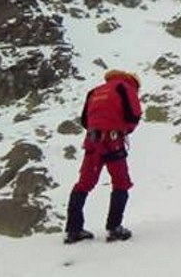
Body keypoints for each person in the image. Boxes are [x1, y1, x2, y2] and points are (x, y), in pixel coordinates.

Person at [64, 69, 142, 244]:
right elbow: (134, 115)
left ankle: (73, 230)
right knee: (121, 182)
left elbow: (84, 120)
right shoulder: (125, 88)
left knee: (84, 183)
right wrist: (123, 129)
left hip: (92, 140)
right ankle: (114, 228)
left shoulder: (95, 91)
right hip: (113, 140)